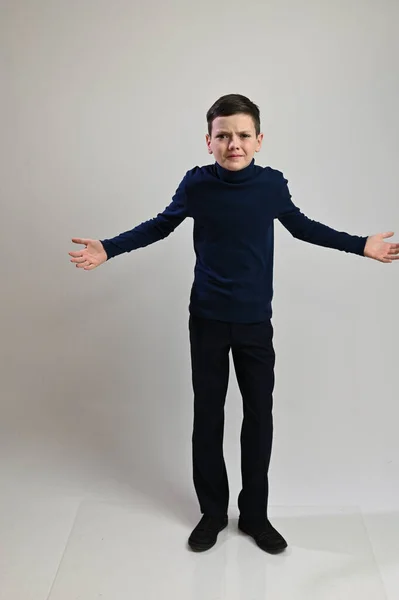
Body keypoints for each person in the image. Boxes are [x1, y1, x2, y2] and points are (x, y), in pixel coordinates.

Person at [69, 94, 398, 554]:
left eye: (243, 135)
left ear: (259, 140)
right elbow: (159, 226)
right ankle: (211, 512)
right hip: (206, 319)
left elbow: (304, 227)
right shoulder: (196, 185)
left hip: (253, 323)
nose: (234, 144)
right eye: (223, 135)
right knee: (208, 416)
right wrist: (108, 247)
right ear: (209, 141)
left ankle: (255, 515)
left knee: (258, 418)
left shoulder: (271, 186)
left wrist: (360, 243)